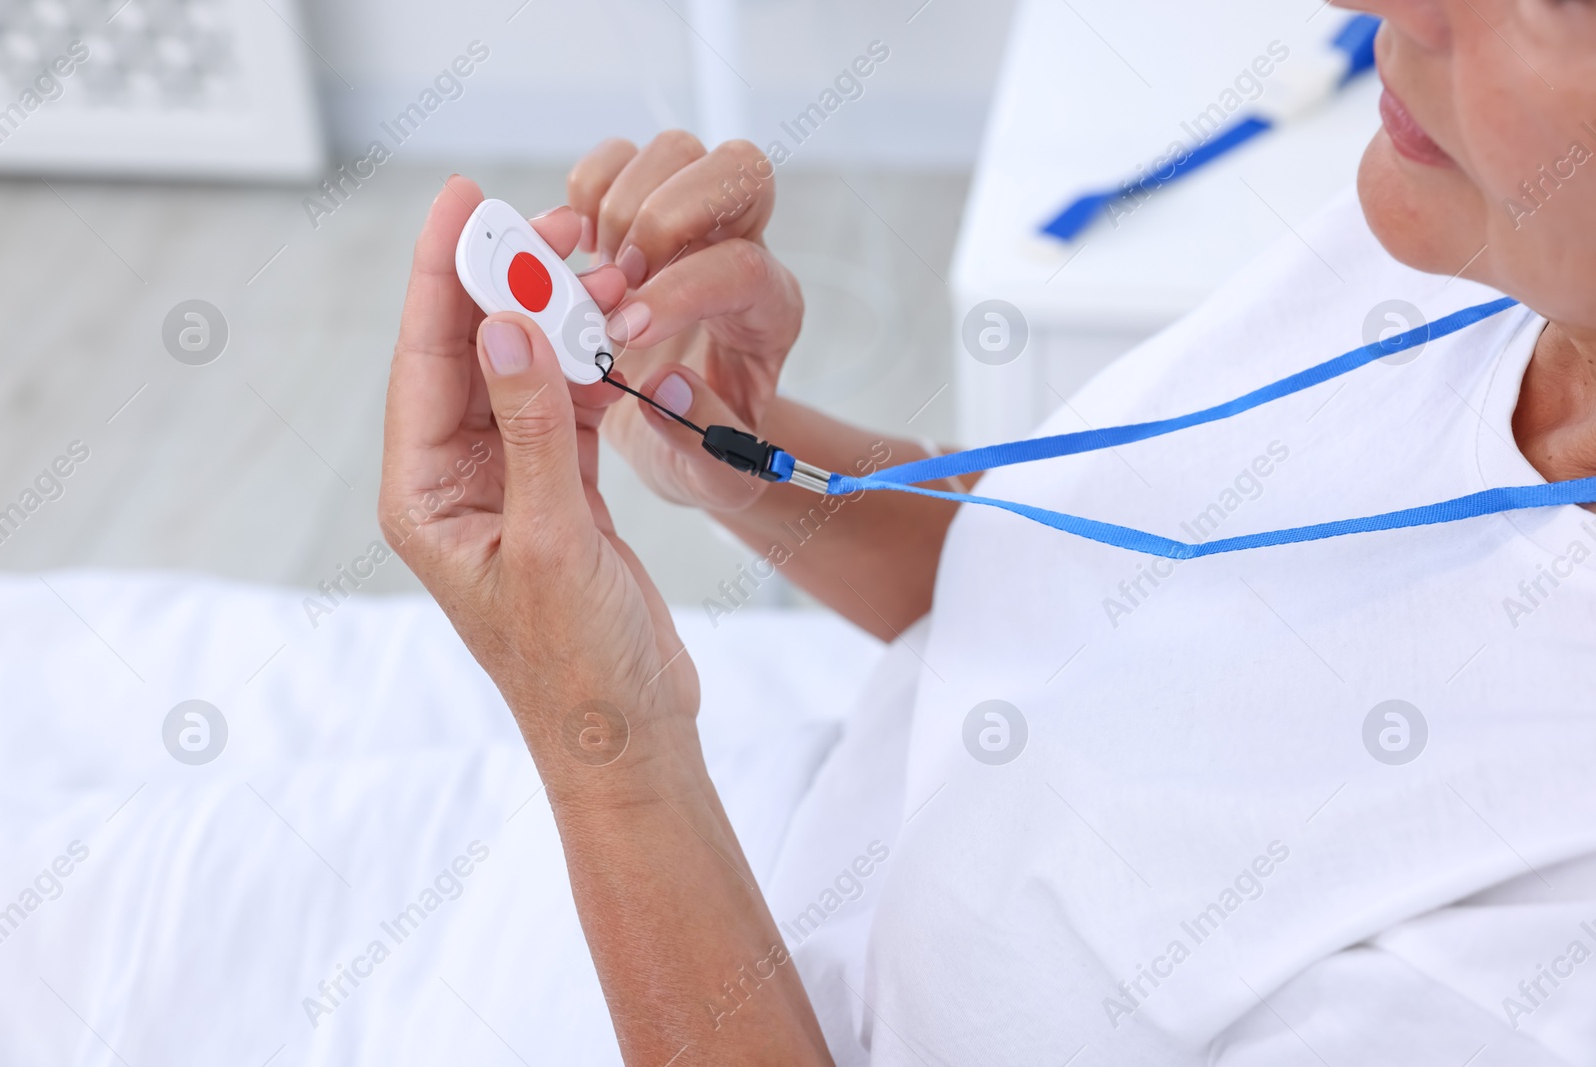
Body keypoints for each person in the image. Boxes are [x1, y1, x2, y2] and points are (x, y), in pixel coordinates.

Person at [378, 1, 1596, 1062]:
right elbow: (1054, 590)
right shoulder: (1468, 238)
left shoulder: (1538, 954)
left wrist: (605, 740)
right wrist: (727, 448)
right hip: (755, 834)